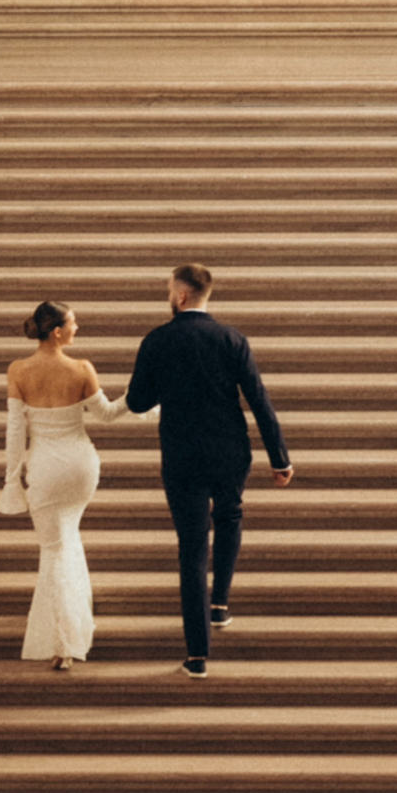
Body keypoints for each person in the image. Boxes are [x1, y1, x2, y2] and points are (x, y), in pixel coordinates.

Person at [125, 263, 293, 677]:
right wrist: (280, 458)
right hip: (230, 451)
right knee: (230, 516)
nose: (169, 295)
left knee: (192, 547)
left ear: (181, 295)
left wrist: (169, 387)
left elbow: (137, 402)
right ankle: (219, 604)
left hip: (182, 456)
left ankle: (197, 655)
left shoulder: (157, 340)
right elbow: (258, 398)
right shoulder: (232, 339)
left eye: (170, 290)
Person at [0, 299, 154, 670]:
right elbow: (108, 414)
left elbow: (15, 431)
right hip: (81, 467)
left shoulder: (18, 370)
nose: (77, 328)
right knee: (67, 540)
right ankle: (74, 627)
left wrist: (11, 479)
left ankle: (64, 643)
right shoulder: (82, 368)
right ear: (57, 332)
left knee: (54, 547)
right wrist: (141, 396)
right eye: (73, 323)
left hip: (45, 468)